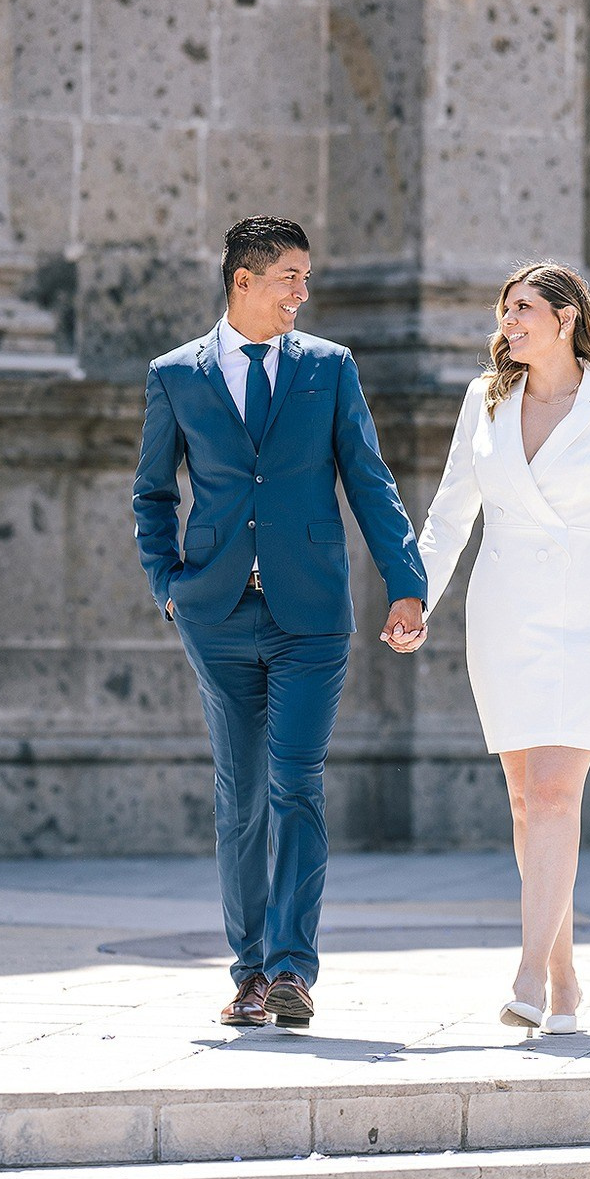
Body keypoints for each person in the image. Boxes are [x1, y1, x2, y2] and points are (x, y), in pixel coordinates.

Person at [133, 216, 428, 1029]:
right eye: (291, 276)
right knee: (240, 799)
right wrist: (168, 584)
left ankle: (294, 969)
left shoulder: (329, 370)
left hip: (310, 617)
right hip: (216, 614)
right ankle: (250, 972)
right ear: (244, 282)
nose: (305, 291)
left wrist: (406, 582)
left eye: (305, 277)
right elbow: (152, 494)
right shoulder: (175, 377)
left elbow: (369, 481)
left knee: (295, 784)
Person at [401, 261, 590, 1035]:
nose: (509, 322)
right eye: (505, 309)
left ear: (567, 318)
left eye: (524, 309)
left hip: (583, 611)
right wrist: (416, 596)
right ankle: (565, 977)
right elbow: (447, 514)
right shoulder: (485, 399)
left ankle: (529, 973)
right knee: (523, 800)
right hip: (501, 608)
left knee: (555, 794)